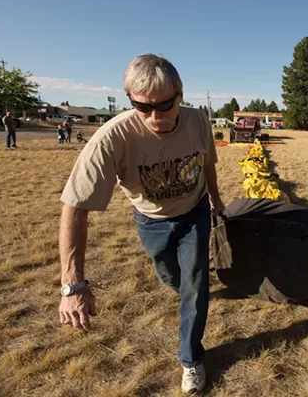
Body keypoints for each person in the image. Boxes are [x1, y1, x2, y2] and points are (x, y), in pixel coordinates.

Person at [57, 53, 224, 394]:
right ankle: (191, 294)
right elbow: (75, 206)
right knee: (170, 276)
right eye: (142, 107)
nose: (154, 117)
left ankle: (191, 359)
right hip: (152, 221)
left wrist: (216, 200)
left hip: (193, 213)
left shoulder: (198, 121)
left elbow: (208, 163)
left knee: (195, 283)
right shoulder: (112, 137)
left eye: (164, 106)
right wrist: (72, 283)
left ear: (180, 94)